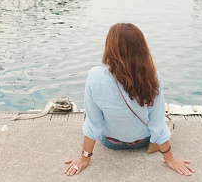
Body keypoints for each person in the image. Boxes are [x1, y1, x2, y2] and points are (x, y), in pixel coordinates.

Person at [64, 23, 194, 176]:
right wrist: (170, 159)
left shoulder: (95, 76)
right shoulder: (153, 79)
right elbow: (157, 124)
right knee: (162, 117)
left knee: (91, 112)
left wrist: (84, 158)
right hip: (142, 141)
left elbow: (94, 123)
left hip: (111, 143)